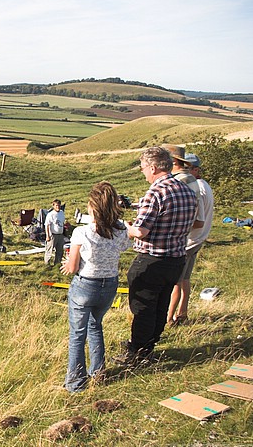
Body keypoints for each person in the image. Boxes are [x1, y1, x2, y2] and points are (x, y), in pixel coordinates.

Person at [114, 147, 197, 366]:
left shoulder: (156, 192)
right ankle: (149, 346)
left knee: (142, 308)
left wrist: (125, 227)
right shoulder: (187, 190)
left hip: (151, 259)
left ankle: (137, 353)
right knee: (160, 306)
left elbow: (141, 231)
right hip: (176, 258)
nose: (143, 173)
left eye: (143, 168)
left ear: (153, 167)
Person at [60, 182, 131, 393]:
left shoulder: (82, 232)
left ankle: (75, 382)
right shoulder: (120, 231)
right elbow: (124, 246)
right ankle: (98, 372)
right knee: (96, 325)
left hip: (85, 284)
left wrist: (66, 264)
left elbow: (72, 267)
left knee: (77, 334)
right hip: (109, 284)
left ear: (92, 206)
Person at [168, 153, 214, 325]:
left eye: (189, 169)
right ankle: (182, 312)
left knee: (176, 281)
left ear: (196, 170)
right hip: (198, 239)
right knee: (185, 278)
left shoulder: (196, 187)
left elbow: (196, 218)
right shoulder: (204, 185)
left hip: (189, 240)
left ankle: (170, 318)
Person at [44, 199, 65, 266]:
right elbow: (47, 225)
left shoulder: (61, 213)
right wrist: (48, 235)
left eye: (59, 205)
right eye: (56, 205)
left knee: (60, 251)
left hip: (60, 234)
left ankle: (57, 263)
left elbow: (62, 222)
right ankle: (47, 264)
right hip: (53, 235)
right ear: (53, 206)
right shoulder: (50, 214)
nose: (58, 207)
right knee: (49, 250)